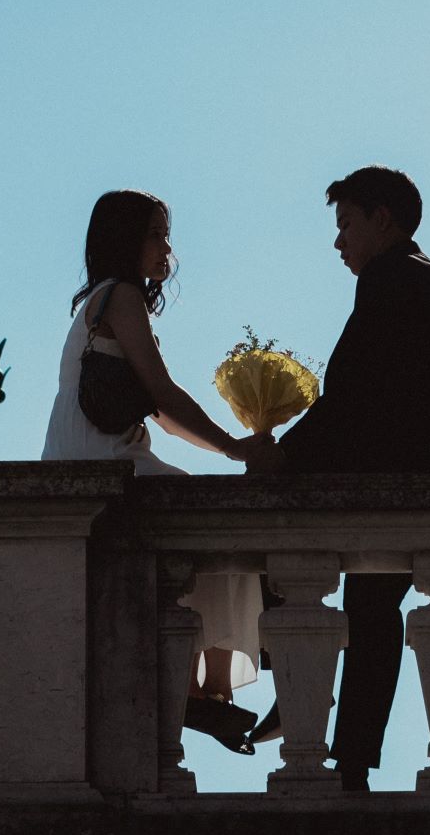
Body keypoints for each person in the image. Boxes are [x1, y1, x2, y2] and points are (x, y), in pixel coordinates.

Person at [249, 167, 430, 789]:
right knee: (372, 611)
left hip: (400, 485)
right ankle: (351, 757)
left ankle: (316, 718)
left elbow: (352, 397)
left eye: (346, 224)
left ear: (383, 219)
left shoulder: (390, 281)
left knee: (319, 582)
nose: (339, 243)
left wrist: (283, 458)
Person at [43, 189, 274, 750]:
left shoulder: (99, 302)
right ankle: (209, 693)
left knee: (212, 538)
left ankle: (204, 693)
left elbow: (162, 417)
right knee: (227, 531)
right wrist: (236, 450)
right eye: (156, 233)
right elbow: (163, 398)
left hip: (91, 453)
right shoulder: (120, 297)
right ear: (126, 240)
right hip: (107, 460)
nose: (166, 247)